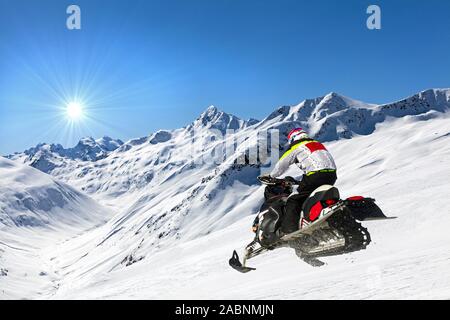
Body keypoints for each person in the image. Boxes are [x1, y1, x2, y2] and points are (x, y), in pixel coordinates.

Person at [262, 127, 337, 235]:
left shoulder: (296, 146)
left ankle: (290, 230)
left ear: (293, 138)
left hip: (315, 175)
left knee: (294, 200)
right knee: (311, 197)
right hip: (331, 175)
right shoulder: (317, 144)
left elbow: (282, 164)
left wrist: (271, 176)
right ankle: (310, 220)